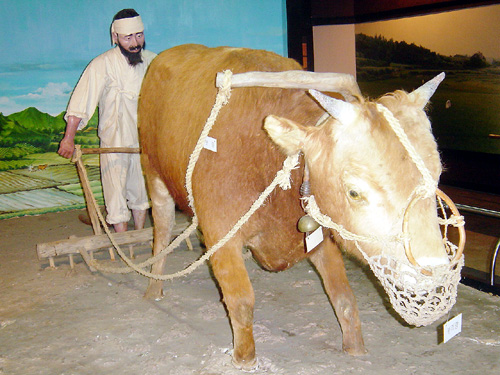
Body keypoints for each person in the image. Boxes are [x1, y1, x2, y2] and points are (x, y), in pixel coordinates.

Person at [58, 8, 156, 233]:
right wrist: (68, 138)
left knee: (140, 188)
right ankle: (122, 240)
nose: (135, 43)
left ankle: (139, 233)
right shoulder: (101, 64)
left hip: (143, 140)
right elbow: (81, 102)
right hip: (113, 140)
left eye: (139, 35)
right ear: (116, 37)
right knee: (114, 189)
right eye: (128, 37)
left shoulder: (153, 62)